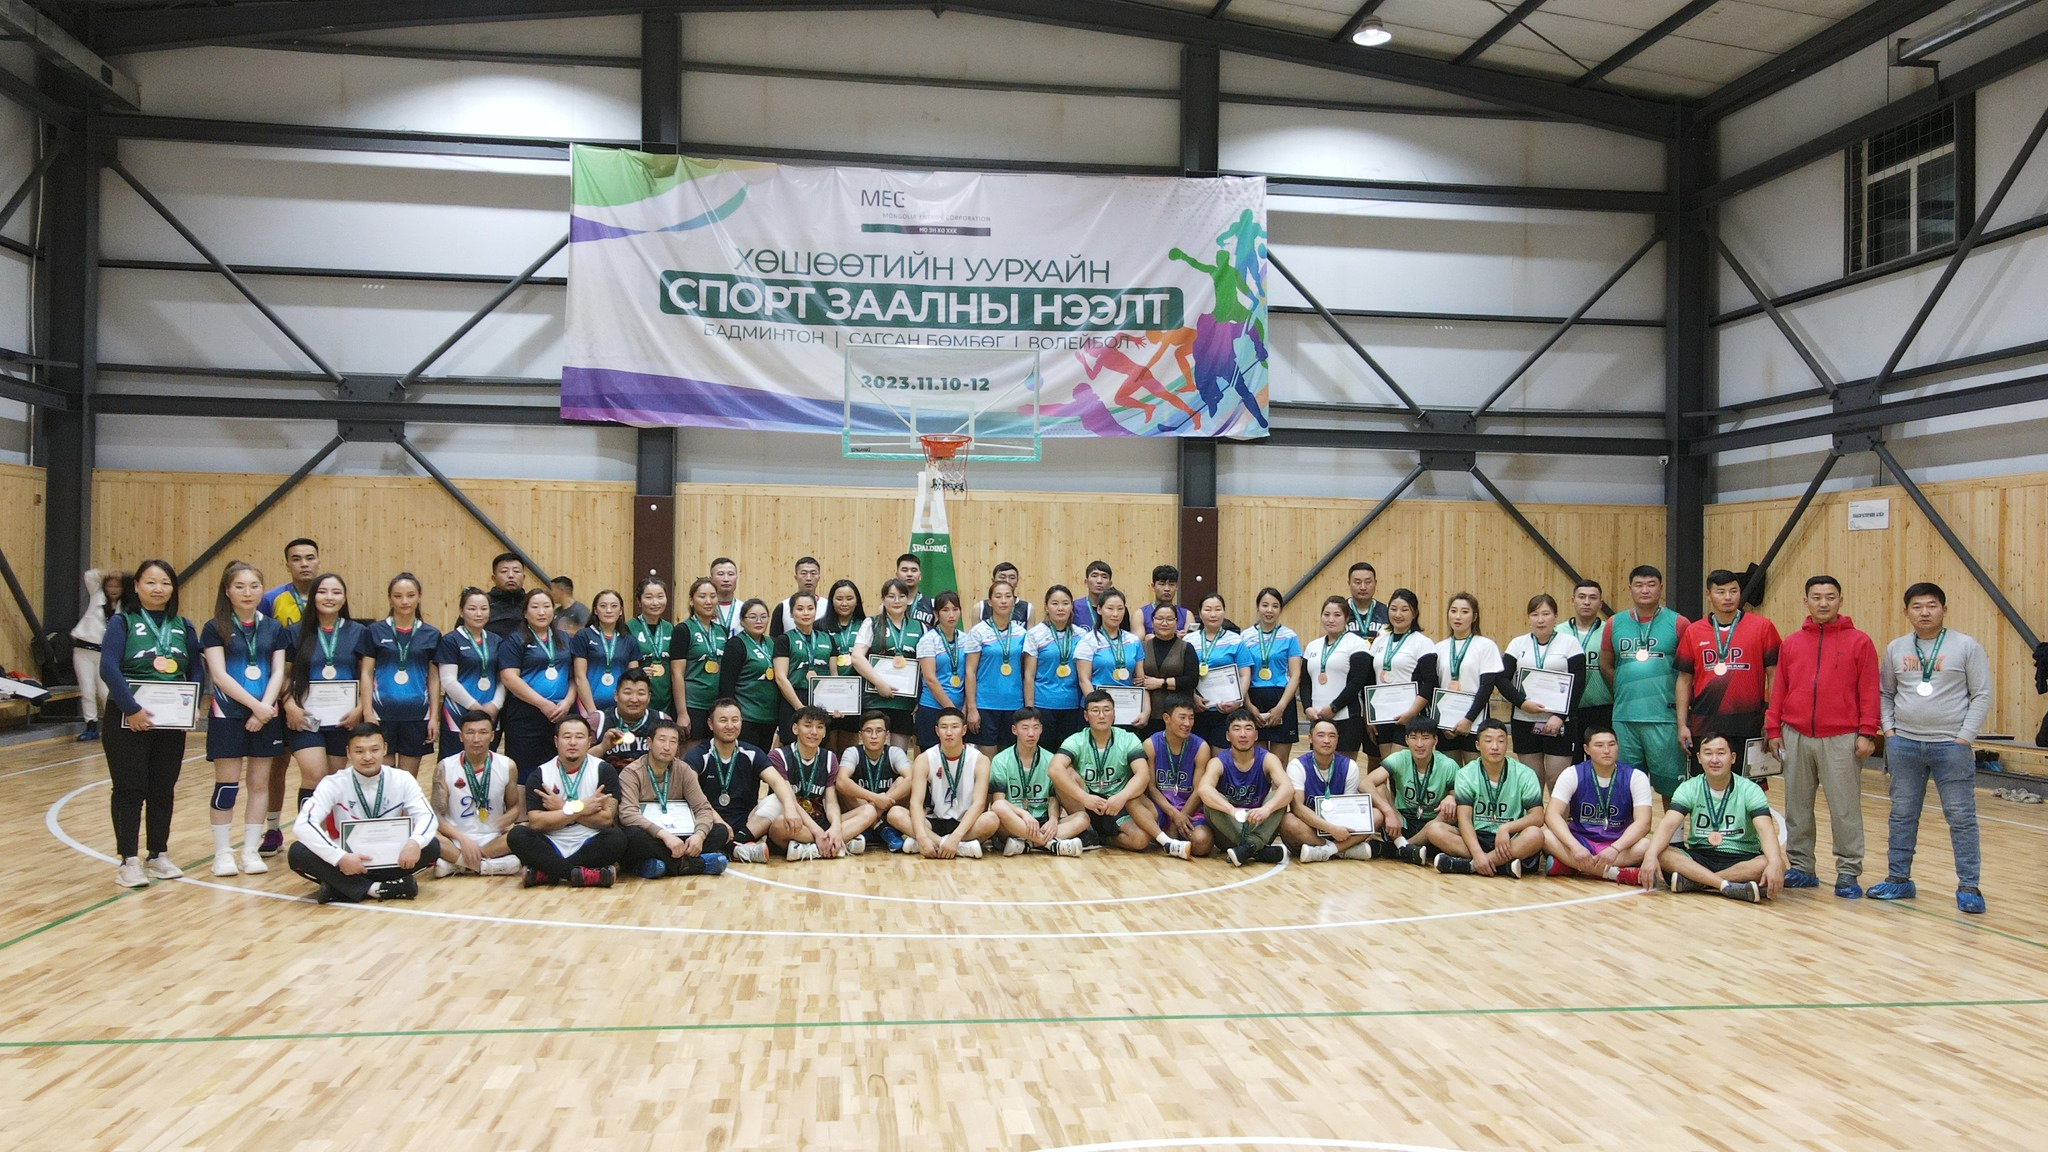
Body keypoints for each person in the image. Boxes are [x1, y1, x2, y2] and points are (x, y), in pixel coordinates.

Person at [1874, 582, 1992, 914]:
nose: (1924, 612)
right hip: (1904, 745)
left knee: (1961, 817)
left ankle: (1969, 886)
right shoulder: (1896, 648)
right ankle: (1899, 879)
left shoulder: (1966, 646)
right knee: (1901, 815)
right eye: (1917, 606)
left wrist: (1964, 737)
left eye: (1931, 605)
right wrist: (1890, 731)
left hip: (1951, 747)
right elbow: (1885, 693)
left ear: (1944, 609)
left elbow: (1981, 694)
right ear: (1906, 612)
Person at [1765, 575, 1880, 897]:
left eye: (1830, 597)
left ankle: (1848, 871)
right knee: (1796, 807)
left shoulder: (1860, 642)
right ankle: (1802, 867)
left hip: (1842, 737)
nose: (1823, 603)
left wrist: (1867, 731)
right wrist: (1773, 728)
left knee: (1845, 809)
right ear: (1806, 602)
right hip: (1795, 734)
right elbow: (1779, 689)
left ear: (1841, 600)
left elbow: (1870, 689)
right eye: (1816, 597)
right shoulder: (1791, 643)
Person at [99, 558, 201, 888]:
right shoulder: (122, 622)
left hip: (170, 720)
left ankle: (158, 854)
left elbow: (196, 669)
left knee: (162, 788)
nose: (158, 588)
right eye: (151, 582)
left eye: (165, 583)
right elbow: (108, 668)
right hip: (127, 718)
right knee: (130, 787)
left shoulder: (183, 625)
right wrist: (131, 708)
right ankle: (128, 860)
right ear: (137, 586)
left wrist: (192, 707)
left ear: (173, 588)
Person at [198, 561, 286, 877]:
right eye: (239, 586)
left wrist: (265, 709)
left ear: (262, 589)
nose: (247, 592)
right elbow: (219, 675)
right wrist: (255, 707)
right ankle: (223, 852)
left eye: (254, 586)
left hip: (266, 715)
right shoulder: (214, 627)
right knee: (227, 786)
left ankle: (250, 850)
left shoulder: (274, 628)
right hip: (228, 715)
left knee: (259, 784)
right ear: (227, 591)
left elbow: (278, 671)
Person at [288, 724, 441, 903]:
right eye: (359, 751)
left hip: (391, 858)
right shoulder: (333, 783)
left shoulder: (402, 779)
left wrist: (414, 842)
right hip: (347, 861)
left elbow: (427, 816)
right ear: (348, 752)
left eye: (374, 750)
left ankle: (342, 888)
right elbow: (303, 824)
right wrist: (339, 856)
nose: (367, 757)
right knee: (297, 852)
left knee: (431, 846)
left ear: (385, 749)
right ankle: (378, 888)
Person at [1640, 730, 1785, 902]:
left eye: (1721, 753)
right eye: (1708, 753)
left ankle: (1698, 882)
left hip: (1742, 856)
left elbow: (1765, 829)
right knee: (1659, 852)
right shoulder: (1689, 787)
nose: (1714, 760)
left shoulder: (1750, 789)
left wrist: (1774, 862)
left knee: (1775, 864)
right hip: (1701, 855)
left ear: (1732, 758)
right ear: (1699, 758)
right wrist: (1650, 855)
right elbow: (1669, 824)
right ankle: (1727, 885)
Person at [1675, 569, 1781, 781]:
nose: (1728, 597)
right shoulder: (1693, 631)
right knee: (1705, 786)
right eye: (1721, 592)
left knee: (1749, 789)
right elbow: (1684, 680)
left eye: (1733, 591)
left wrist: (1772, 720)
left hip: (1750, 724)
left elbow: (1775, 675)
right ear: (1708, 595)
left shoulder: (1763, 627)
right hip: (1705, 724)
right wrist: (1682, 724)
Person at [1601, 565, 1690, 800]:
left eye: (1651, 584)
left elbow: (1688, 672)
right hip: (1625, 718)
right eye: (1639, 585)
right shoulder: (1614, 623)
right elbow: (1606, 665)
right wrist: (1624, 688)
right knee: (1626, 787)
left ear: (1661, 588)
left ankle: (1674, 827)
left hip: (1665, 719)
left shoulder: (1679, 623)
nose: (1645, 590)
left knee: (1671, 790)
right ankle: (1630, 826)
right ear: (1630, 588)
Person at [504, 715, 625, 887]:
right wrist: (581, 808)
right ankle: (579, 875)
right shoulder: (541, 774)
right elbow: (537, 822)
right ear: (556, 741)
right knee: (517, 835)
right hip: (552, 841)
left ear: (589, 741)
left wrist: (563, 807)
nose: (573, 742)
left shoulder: (604, 770)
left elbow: (606, 819)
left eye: (579, 737)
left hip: (589, 840)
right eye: (567, 737)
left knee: (617, 839)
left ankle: (549, 872)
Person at [281, 574, 366, 808]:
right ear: (313, 596)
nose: (329, 597)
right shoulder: (294, 632)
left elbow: (367, 675)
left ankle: (330, 829)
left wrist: (360, 709)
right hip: (305, 717)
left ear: (344, 598)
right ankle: (308, 828)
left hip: (343, 719)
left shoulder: (359, 632)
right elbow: (284, 675)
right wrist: (289, 706)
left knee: (334, 779)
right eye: (322, 592)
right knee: (314, 775)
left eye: (336, 592)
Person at [1051, 689, 1172, 854]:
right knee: (1067, 772)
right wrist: (1084, 797)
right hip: (1085, 803)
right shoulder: (1076, 740)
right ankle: (1086, 831)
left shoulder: (1128, 739)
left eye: (1106, 710)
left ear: (1114, 714)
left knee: (1141, 840)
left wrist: (1122, 797)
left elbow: (1143, 775)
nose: (1101, 715)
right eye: (1095, 711)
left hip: (1116, 804)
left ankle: (1103, 839)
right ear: (1086, 716)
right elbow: (1054, 769)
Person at [617, 720, 730, 878]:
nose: (667, 747)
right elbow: (628, 814)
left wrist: (699, 835)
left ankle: (657, 865)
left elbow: (702, 808)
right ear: (649, 743)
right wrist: (664, 835)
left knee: (720, 831)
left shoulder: (684, 770)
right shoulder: (632, 773)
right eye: (662, 740)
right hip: (653, 835)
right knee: (631, 835)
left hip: (680, 834)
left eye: (673, 742)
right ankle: (696, 864)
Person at [1540, 726, 1651, 884]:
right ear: (1586, 749)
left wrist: (1615, 848)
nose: (1606, 750)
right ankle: (1616, 874)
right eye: (1599, 745)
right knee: (1545, 836)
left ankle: (1571, 866)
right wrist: (1575, 847)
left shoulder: (1636, 777)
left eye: (1611, 744)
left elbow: (1644, 823)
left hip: (1619, 843)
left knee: (1646, 845)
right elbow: (1552, 815)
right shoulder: (1572, 773)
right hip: (1582, 840)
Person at [359, 572, 442, 781]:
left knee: (407, 780)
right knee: (382, 778)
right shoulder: (374, 631)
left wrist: (434, 716)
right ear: (390, 598)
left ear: (419, 597)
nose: (404, 601)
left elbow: (433, 678)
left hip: (416, 715)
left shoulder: (431, 634)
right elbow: (366, 673)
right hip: (381, 714)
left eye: (410, 595)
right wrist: (367, 712)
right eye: (398, 596)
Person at [1435, 720, 1544, 877]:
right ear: (1478, 745)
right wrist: (1477, 853)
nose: (1495, 746)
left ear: (1507, 744)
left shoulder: (1525, 774)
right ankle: (1502, 866)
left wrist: (1505, 828)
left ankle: (1470, 866)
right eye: (1488, 741)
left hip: (1510, 837)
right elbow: (1464, 819)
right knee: (1435, 830)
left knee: (1535, 834)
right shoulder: (1465, 774)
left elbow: (1538, 817)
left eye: (1500, 741)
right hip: (1477, 836)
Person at [1499, 594, 1586, 790]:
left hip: (1560, 723)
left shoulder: (1570, 643)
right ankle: (1535, 813)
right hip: (1524, 721)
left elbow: (1579, 683)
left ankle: (1558, 813)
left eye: (1546, 614)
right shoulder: (1517, 644)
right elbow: (1502, 679)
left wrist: (1560, 716)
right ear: (1528, 618)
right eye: (1535, 614)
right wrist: (1522, 703)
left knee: (1557, 781)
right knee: (1532, 782)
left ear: (1555, 616)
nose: (1540, 620)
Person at [758, 706, 867, 860]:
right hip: (794, 822)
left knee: (868, 811)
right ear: (795, 729)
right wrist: (816, 832)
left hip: (821, 822)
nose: (814, 732)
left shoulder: (829, 758)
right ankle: (837, 844)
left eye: (820, 727)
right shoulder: (778, 756)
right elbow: (790, 800)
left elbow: (831, 802)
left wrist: (836, 827)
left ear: (825, 732)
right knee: (779, 825)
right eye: (808, 726)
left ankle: (814, 847)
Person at [682, 697, 783, 864]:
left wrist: (791, 810)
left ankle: (735, 845)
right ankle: (738, 850)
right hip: (711, 822)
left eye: (735, 720)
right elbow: (690, 793)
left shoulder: (752, 753)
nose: (730, 726)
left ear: (741, 722)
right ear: (710, 724)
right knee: (709, 824)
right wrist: (720, 822)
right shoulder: (698, 755)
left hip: (746, 825)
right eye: (723, 720)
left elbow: (778, 782)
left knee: (779, 798)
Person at [1281, 717, 1394, 862]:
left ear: (1337, 739)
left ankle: (1327, 851)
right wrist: (1331, 829)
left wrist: (1339, 829)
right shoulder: (1297, 766)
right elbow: (1298, 808)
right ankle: (1345, 850)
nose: (1326, 740)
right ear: (1310, 738)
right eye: (1321, 735)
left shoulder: (1349, 766)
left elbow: (1350, 809)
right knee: (1288, 821)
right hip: (1311, 827)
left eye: (1332, 736)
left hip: (1342, 828)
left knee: (1376, 815)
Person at [891, 707, 998, 858]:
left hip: (965, 824)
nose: (949, 732)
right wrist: (922, 836)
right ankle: (953, 846)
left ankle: (936, 845)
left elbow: (979, 803)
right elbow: (916, 802)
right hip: (935, 821)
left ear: (964, 730)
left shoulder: (980, 760)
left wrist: (956, 837)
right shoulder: (924, 758)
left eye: (954, 727)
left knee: (992, 819)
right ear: (937, 731)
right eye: (944, 727)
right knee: (895, 813)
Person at [430, 709, 525, 877]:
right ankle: (486, 866)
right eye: (470, 733)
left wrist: (507, 818)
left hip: (493, 839)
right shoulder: (445, 767)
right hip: (456, 839)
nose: (476, 739)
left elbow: (514, 808)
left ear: (492, 736)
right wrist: (462, 839)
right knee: (428, 836)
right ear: (461, 736)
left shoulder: (507, 766)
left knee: (524, 831)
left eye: (483, 732)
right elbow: (436, 816)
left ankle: (458, 864)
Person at [495, 587, 575, 783]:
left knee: (558, 768)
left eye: (546, 606)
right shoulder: (515, 641)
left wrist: (567, 702)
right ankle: (524, 803)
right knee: (524, 770)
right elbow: (509, 677)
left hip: (560, 712)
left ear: (553, 611)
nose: (541, 612)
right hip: (525, 714)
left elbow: (575, 677)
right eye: (535, 607)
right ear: (525, 612)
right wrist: (542, 703)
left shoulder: (565, 639)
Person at [1197, 709, 1294, 867]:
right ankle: (1257, 849)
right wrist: (1231, 810)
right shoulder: (1218, 762)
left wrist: (1267, 809)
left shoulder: (1268, 759)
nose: (1243, 734)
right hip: (1228, 828)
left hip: (1259, 823)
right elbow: (1203, 789)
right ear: (1228, 736)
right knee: (1211, 801)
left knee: (1278, 797)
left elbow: (1288, 788)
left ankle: (1248, 848)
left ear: (1256, 735)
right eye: (1237, 729)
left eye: (1248, 728)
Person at [990, 708, 1083, 855]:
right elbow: (998, 800)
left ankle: (1027, 844)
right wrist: (1023, 814)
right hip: (1015, 820)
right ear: (1014, 730)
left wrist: (1053, 819)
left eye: (1035, 727)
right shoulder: (1000, 760)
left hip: (1042, 821)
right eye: (1025, 728)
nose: (1031, 733)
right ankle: (1049, 844)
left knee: (1083, 818)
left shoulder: (1051, 759)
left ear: (1041, 729)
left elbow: (1052, 797)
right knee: (998, 807)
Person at [850, 578, 924, 752]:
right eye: (891, 596)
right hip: (875, 701)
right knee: (874, 753)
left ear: (907, 599)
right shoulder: (871, 623)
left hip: (904, 703)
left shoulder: (919, 627)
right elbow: (857, 657)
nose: (896, 601)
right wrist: (879, 683)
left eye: (901, 596)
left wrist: (919, 696)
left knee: (899, 756)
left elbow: (925, 665)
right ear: (883, 600)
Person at [1375, 717, 1461, 865]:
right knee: (1379, 788)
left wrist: (1451, 797)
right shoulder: (1399, 758)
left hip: (1432, 821)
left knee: (1452, 808)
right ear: (1406, 740)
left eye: (1425, 738)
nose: (1419, 744)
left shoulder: (1448, 765)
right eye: (1414, 738)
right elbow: (1366, 783)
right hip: (1402, 821)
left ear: (1435, 740)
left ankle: (1401, 848)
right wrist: (1389, 812)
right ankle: (1405, 847)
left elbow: (1463, 797)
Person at [434, 588, 504, 761]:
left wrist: (495, 705)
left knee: (487, 764)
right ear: (461, 611)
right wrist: (475, 707)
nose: (479, 614)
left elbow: (503, 679)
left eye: (484, 608)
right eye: (472, 609)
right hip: (457, 714)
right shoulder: (451, 640)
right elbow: (448, 681)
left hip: (490, 714)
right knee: (453, 765)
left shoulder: (496, 641)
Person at [1300, 595, 1374, 758]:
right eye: (1326, 614)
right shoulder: (1312, 646)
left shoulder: (1356, 644)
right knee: (1320, 766)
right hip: (1318, 718)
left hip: (1347, 718)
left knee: (1344, 767)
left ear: (1346, 618)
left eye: (1337, 615)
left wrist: (1334, 707)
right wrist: (1307, 707)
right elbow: (1305, 682)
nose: (1331, 619)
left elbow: (1357, 682)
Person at [963, 579, 1029, 756]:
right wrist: (972, 708)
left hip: (1014, 704)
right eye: (998, 596)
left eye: (1008, 596)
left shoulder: (1022, 633)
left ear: (1014, 600)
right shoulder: (978, 632)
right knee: (988, 760)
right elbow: (970, 672)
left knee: (1008, 759)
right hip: (985, 705)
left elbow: (1026, 672)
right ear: (990, 602)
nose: (1003, 601)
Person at [1238, 587, 1303, 763]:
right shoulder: (1245, 637)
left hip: (1282, 698)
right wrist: (1249, 706)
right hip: (1253, 699)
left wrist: (1281, 707)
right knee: (1257, 762)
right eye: (1265, 605)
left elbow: (1296, 675)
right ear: (1257, 607)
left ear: (1280, 609)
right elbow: (1241, 674)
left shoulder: (1290, 636)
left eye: (1275, 606)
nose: (1269, 610)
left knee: (1278, 764)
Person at [1432, 592, 1500, 759]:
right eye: (1453, 611)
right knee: (1449, 773)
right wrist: (1441, 723)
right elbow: (1434, 687)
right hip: (1446, 725)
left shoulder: (1486, 646)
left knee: (1474, 772)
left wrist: (1468, 719)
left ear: (1474, 616)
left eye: (1464, 612)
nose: (1458, 616)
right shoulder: (1439, 648)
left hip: (1474, 721)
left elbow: (1486, 686)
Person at [1368, 589, 1434, 760]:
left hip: (1409, 716)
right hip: (1383, 715)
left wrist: (1411, 713)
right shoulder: (1379, 641)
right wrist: (1370, 717)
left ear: (1415, 613)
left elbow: (1430, 682)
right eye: (1393, 608)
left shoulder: (1423, 643)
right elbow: (1370, 680)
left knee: (1399, 765)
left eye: (1404, 609)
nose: (1398, 614)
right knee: (1388, 767)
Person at [1145, 696, 1213, 858]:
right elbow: (1150, 788)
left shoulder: (1201, 747)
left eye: (1191, 718)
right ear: (1166, 718)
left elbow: (1199, 790)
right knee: (1136, 806)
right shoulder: (1150, 744)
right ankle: (1162, 837)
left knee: (1202, 843)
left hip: (1189, 810)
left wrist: (1178, 820)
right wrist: (1173, 814)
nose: (1187, 723)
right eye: (1182, 717)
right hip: (1161, 808)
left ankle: (1166, 838)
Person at [837, 711, 912, 852]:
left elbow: (910, 779)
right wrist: (875, 799)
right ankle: (881, 829)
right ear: (860, 735)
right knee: (846, 783)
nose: (873, 736)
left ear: (887, 735)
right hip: (861, 810)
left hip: (887, 814)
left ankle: (873, 826)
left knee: (902, 780)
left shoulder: (894, 752)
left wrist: (882, 803)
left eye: (879, 731)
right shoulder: (852, 752)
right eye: (868, 731)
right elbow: (841, 781)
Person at [1023, 585, 1086, 752]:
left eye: (1065, 603)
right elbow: (1029, 675)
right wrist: (1030, 709)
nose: (1060, 608)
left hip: (1072, 706)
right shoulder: (1035, 634)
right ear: (1046, 606)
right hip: (1043, 705)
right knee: (1045, 754)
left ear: (1071, 606)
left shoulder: (1082, 636)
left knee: (1069, 754)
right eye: (1055, 603)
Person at [1075, 588, 1145, 730]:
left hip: (1127, 710)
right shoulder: (1088, 641)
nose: (1115, 614)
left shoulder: (1133, 641)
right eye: (1110, 608)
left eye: (1120, 609)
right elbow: (1084, 680)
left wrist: (1144, 710)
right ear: (1099, 610)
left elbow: (1140, 680)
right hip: (1097, 711)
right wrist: (1098, 708)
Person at [715, 598, 781, 750]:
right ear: (742, 620)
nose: (759, 621)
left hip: (769, 716)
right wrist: (731, 714)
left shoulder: (772, 643)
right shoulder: (736, 644)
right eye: (752, 617)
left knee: (762, 758)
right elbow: (727, 684)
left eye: (763, 616)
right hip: (747, 716)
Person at [668, 576, 729, 738]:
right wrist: (682, 712)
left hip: (715, 706)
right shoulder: (683, 630)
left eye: (712, 596)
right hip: (692, 704)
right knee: (691, 749)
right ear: (691, 600)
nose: (708, 601)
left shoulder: (722, 631)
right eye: (702, 596)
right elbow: (676, 673)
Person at [771, 591, 836, 744]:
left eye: (810, 608)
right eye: (800, 609)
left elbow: (834, 675)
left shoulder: (828, 638)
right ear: (791, 613)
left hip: (821, 698)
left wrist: (836, 703)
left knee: (819, 746)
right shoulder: (784, 639)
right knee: (792, 747)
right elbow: (780, 677)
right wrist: (799, 707)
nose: (806, 613)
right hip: (793, 698)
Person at [69, 567, 124, 742]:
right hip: (83, 650)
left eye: (117, 586)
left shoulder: (125, 606)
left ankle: (111, 725)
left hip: (105, 653)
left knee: (105, 691)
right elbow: (89, 576)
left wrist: (123, 577)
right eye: (110, 586)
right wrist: (107, 573)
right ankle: (91, 725)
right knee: (87, 689)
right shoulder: (97, 596)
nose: (113, 590)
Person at [1561, 579, 1611, 760]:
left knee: (1600, 760)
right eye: (1581, 597)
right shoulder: (1559, 632)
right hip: (1568, 708)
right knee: (1571, 763)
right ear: (1572, 600)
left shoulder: (1609, 631)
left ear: (1601, 603)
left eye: (1593, 598)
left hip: (1602, 707)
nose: (1587, 602)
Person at [1137, 596, 1199, 738]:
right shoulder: (1141, 647)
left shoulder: (1186, 648)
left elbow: (1192, 680)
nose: (1164, 623)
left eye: (1170, 619)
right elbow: (1138, 678)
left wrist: (1161, 683)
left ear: (1177, 622)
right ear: (1152, 622)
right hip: (1148, 714)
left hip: (1178, 714)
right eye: (1159, 619)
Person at [914, 590, 969, 749]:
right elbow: (930, 678)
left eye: (955, 609)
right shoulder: (928, 640)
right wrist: (951, 710)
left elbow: (970, 674)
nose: (951, 615)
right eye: (945, 610)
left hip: (961, 709)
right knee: (931, 758)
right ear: (936, 613)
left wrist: (966, 707)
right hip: (933, 708)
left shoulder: (966, 639)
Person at [1187, 593, 1243, 749]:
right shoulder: (1188, 641)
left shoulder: (1236, 640)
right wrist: (1193, 697)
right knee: (1198, 756)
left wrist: (1237, 701)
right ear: (1200, 613)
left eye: (1218, 609)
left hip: (1225, 710)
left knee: (1221, 758)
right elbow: (1183, 674)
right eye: (1207, 609)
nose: (1213, 614)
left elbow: (1245, 674)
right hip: (1197, 710)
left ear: (1224, 612)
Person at [817, 579, 867, 751]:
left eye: (849, 598)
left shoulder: (866, 625)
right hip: (826, 695)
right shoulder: (819, 627)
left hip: (855, 696)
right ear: (831, 601)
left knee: (848, 751)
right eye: (839, 598)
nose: (844, 603)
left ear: (857, 601)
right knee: (828, 749)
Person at [571, 588, 636, 719]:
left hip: (620, 710)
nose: (609, 610)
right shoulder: (583, 636)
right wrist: (593, 713)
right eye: (603, 606)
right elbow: (579, 676)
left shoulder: (629, 640)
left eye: (614, 606)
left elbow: (633, 678)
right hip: (588, 708)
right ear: (595, 610)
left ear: (621, 611)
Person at [594, 669, 669, 768]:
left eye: (641, 694)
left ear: (649, 697)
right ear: (616, 695)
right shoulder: (598, 720)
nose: (634, 699)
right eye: (627, 693)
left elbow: (674, 762)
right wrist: (602, 747)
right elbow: (579, 762)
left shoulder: (662, 721)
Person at [628, 576, 676, 723]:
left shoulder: (670, 628)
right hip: (639, 698)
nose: (655, 602)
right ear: (639, 601)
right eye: (649, 597)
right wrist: (637, 672)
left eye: (660, 597)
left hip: (666, 699)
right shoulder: (628, 628)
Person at [258, 537, 320, 628]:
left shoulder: (332, 597)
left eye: (310, 558)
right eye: (296, 559)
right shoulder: (269, 599)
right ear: (288, 566)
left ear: (318, 563)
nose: (304, 564)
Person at [771, 556, 823, 637]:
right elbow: (774, 638)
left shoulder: (828, 606)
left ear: (818, 577)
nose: (808, 578)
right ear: (796, 577)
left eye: (813, 573)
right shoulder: (783, 607)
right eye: (803, 573)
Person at [975, 561, 1035, 628]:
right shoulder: (980, 608)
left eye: (1012, 578)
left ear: (1017, 581)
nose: (1007, 581)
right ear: (993, 581)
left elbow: (1030, 634)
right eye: (1002, 577)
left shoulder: (1028, 608)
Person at [1342, 561, 1388, 643]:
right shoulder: (1339, 611)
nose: (1363, 587)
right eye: (1357, 582)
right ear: (1349, 583)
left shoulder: (1387, 612)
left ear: (1375, 583)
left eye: (1368, 582)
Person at [483, 552, 527, 638]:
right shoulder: (482, 603)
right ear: (494, 578)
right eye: (504, 571)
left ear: (523, 577)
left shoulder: (532, 603)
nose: (511, 575)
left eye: (516, 571)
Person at [1139, 564, 1191, 635]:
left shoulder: (1187, 615)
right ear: (1153, 586)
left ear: (1176, 587)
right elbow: (1137, 641)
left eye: (1171, 584)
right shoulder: (1140, 614)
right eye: (1162, 584)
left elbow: (1191, 639)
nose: (1167, 589)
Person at [896, 552, 936, 628]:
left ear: (920, 576)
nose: (909, 574)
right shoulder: (888, 605)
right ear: (897, 575)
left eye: (914, 570)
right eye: (904, 570)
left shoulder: (932, 605)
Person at [1071, 560, 1113, 631]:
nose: (1099, 581)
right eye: (1094, 576)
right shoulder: (1074, 607)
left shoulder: (1117, 609)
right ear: (1086, 582)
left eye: (1104, 576)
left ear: (1110, 584)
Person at [709, 556, 742, 632]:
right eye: (720, 574)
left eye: (730, 574)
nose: (726, 579)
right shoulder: (703, 609)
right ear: (711, 579)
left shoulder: (744, 609)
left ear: (736, 578)